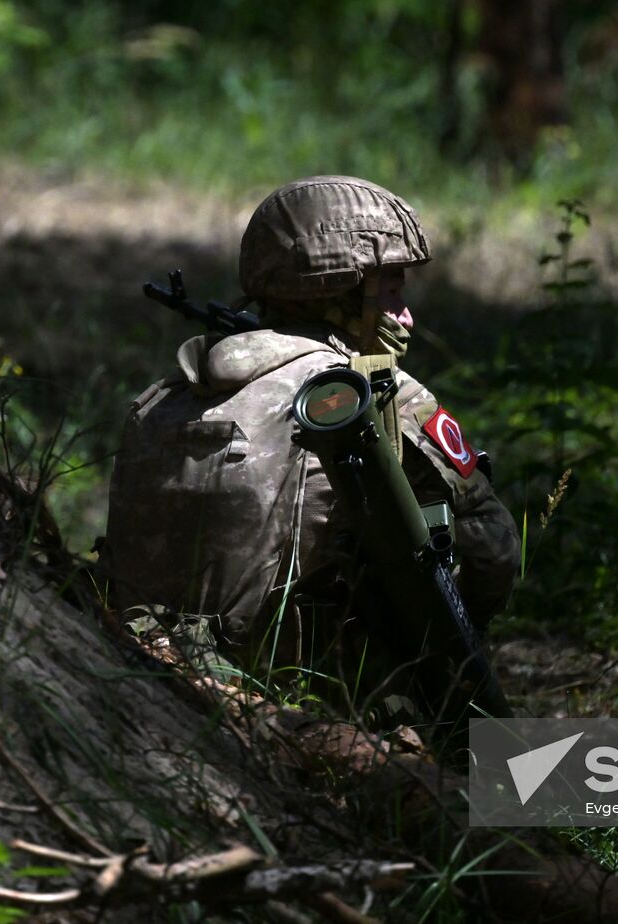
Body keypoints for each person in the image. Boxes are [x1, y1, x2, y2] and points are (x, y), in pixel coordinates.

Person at [104, 176, 519, 708]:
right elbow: (493, 548)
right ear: (340, 290)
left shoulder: (169, 394)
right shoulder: (365, 390)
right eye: (391, 289)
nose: (406, 314)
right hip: (321, 700)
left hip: (151, 680)